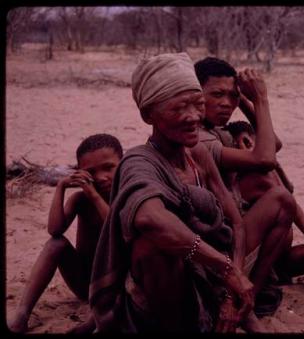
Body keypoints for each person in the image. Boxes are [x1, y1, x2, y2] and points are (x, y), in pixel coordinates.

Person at [89, 53, 292, 333]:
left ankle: (243, 307)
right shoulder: (139, 161)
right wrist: (227, 269)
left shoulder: (197, 153)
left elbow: (236, 224)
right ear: (148, 114)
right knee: (152, 246)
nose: (193, 116)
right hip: (173, 286)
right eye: (179, 108)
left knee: (279, 202)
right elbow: (150, 218)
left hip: (213, 275)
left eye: (197, 105)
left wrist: (233, 287)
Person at [194, 57, 297, 318]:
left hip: (227, 234)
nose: (226, 103)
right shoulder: (199, 138)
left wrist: (246, 102)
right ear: (195, 94)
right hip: (210, 242)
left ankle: (249, 292)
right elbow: (265, 158)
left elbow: (272, 144)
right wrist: (261, 100)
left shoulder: (217, 131)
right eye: (216, 94)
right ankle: (249, 295)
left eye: (232, 96)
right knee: (281, 199)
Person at [8, 133, 123, 334]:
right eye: (91, 172)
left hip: (116, 285)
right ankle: (22, 313)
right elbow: (54, 230)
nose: (100, 177)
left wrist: (95, 196)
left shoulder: (126, 196)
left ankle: (94, 320)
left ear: (123, 164)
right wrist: (60, 187)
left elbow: (115, 229)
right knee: (55, 244)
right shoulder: (81, 200)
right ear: (80, 172)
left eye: (108, 168)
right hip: (85, 283)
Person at [225, 120, 304, 282]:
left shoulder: (268, 170)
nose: (249, 146)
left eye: (251, 141)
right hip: (249, 253)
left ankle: (274, 274)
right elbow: (285, 196)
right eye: (242, 143)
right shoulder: (249, 176)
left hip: (276, 254)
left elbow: (289, 197)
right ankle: (261, 281)